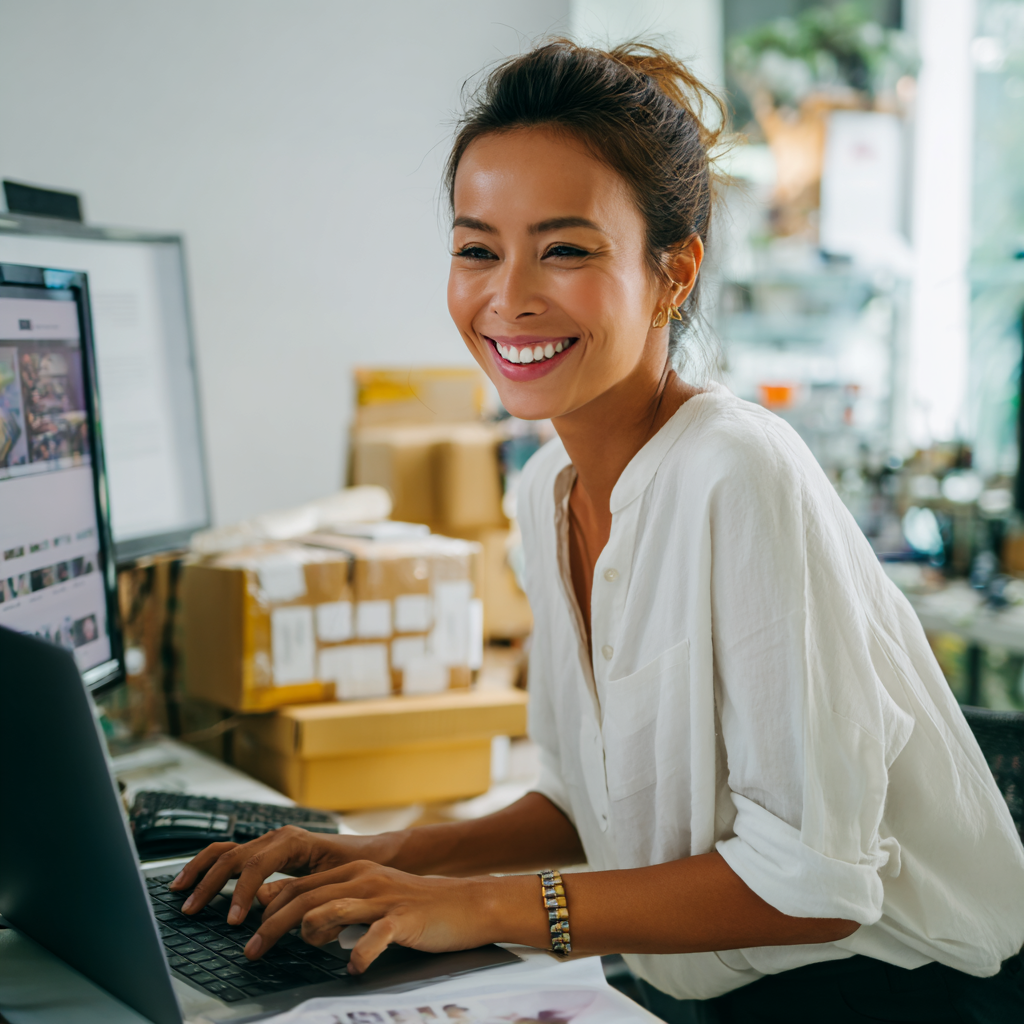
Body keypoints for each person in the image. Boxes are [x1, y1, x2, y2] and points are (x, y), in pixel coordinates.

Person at [172, 41, 1024, 1022]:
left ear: (672, 275)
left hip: (900, 997)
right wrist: (373, 855)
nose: (510, 295)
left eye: (565, 249)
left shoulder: (735, 469)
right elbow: (587, 807)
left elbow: (813, 886)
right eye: (476, 248)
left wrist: (474, 905)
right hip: (710, 987)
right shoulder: (544, 491)